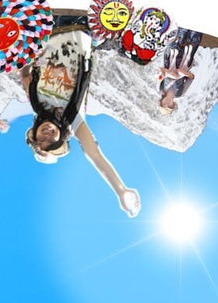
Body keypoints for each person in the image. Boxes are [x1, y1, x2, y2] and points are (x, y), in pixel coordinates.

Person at [22, 28, 141, 217]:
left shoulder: (36, 102)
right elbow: (95, 157)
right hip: (82, 32)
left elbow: (25, 76)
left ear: (35, 132)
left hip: (52, 29)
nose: (47, 135)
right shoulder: (73, 119)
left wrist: (30, 54)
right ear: (61, 139)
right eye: (52, 141)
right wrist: (120, 190)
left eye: (41, 139)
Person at [158, 27, 202, 115]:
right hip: (187, 57)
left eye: (163, 105)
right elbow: (191, 78)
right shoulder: (180, 93)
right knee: (196, 33)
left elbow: (160, 71)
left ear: (161, 102)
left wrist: (171, 73)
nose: (167, 103)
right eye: (169, 106)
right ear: (172, 105)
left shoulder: (161, 88)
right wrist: (183, 73)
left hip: (172, 53)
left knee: (183, 29)